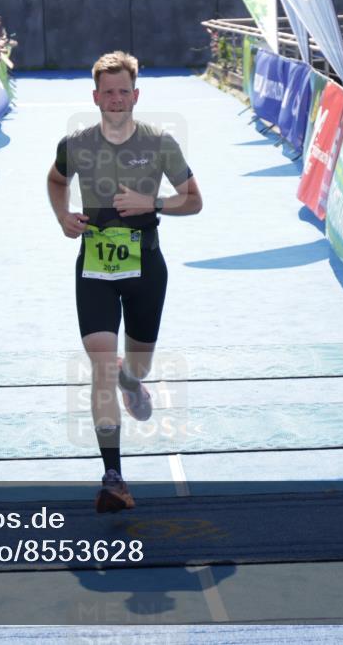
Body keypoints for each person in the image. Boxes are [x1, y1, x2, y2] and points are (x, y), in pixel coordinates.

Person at [46, 51, 202, 513]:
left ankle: (133, 382)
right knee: (101, 366)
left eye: (123, 91)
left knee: (134, 366)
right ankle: (113, 476)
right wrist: (62, 217)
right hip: (93, 267)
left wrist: (151, 202)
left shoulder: (160, 143)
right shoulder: (74, 142)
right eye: (107, 92)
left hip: (146, 267)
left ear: (136, 95)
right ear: (95, 96)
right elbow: (56, 181)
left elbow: (193, 201)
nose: (115, 99)